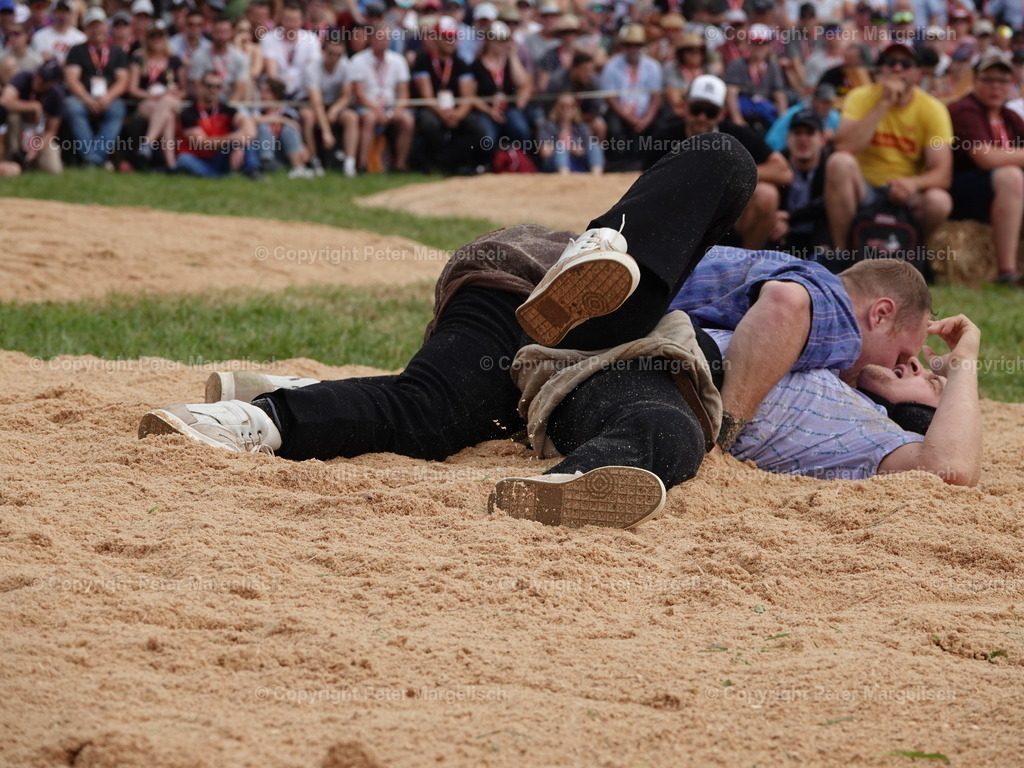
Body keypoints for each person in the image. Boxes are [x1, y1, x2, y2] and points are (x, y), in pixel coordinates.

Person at [139, 135, 980, 530]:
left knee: (436, 411)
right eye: (904, 352)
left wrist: (902, 395)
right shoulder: (822, 304)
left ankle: (261, 412)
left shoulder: (825, 367)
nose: (907, 367)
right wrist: (730, 424)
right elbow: (793, 316)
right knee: (727, 164)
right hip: (574, 301)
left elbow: (931, 452)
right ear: (877, 315)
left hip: (588, 356)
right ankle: (602, 252)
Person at [825, 41, 953, 257]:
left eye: (905, 63)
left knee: (939, 202)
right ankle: (842, 255)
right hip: (864, 189)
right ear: (879, 70)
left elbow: (943, 173)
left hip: (906, 191)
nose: (897, 69)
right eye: (890, 62)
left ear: (917, 73)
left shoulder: (933, 109)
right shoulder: (859, 97)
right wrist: (883, 104)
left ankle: (916, 254)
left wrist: (913, 184)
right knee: (839, 163)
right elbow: (844, 147)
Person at [645, 74, 793, 250]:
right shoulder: (664, 137)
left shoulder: (736, 135)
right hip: (679, 220)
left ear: (722, 114)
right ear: (685, 107)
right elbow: (646, 186)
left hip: (726, 221)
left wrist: (732, 174)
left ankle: (745, 263)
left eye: (710, 112)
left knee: (767, 194)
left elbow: (784, 171)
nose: (702, 117)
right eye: (696, 109)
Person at [947, 49, 1024, 286]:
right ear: (975, 81)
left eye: (1002, 81)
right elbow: (985, 158)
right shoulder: (964, 109)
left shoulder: (1010, 116)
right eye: (989, 80)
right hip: (962, 191)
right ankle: (1007, 272)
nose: (996, 87)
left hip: (1001, 192)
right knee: (1010, 176)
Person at [410, 15, 483, 175]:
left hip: (454, 109)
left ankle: (448, 162)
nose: (450, 41)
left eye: (453, 37)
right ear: (436, 37)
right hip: (432, 108)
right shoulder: (423, 60)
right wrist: (443, 114)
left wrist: (458, 114)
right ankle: (434, 162)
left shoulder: (460, 62)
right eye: (446, 37)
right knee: (430, 125)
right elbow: (426, 95)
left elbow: (467, 96)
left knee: (477, 129)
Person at [63, 6, 129, 167]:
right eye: (92, 25)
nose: (96, 29)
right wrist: (87, 99)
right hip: (83, 98)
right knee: (72, 108)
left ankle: (93, 158)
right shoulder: (77, 50)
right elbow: (72, 79)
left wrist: (107, 98)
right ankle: (93, 157)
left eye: (99, 25)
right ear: (85, 28)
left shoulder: (116, 51)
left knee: (118, 109)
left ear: (106, 26)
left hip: (109, 98)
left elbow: (123, 80)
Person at [349, 20, 414, 173]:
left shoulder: (398, 60)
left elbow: (404, 92)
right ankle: (363, 165)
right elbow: (359, 94)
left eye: (386, 38)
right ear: (371, 39)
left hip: (390, 105)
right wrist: (377, 110)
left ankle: (400, 165)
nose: (384, 42)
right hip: (367, 105)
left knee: (408, 120)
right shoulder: (358, 60)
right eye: (380, 38)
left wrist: (397, 109)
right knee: (370, 118)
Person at [769, 109, 833, 257]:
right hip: (779, 238)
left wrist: (791, 217)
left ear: (822, 139)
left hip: (818, 241)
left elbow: (829, 201)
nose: (803, 138)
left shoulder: (832, 166)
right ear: (787, 138)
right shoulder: (775, 163)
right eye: (797, 132)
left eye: (809, 133)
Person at [175, 68, 260, 178]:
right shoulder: (189, 113)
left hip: (220, 155)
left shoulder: (225, 109)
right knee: (183, 160)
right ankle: (218, 176)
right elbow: (204, 143)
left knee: (243, 131)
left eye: (218, 86)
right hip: (199, 157)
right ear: (200, 86)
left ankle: (252, 170)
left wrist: (240, 145)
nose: (213, 90)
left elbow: (247, 124)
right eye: (209, 86)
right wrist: (235, 138)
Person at [599, 23, 661, 169]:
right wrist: (629, 118)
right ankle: (617, 164)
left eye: (636, 45)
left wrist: (646, 119)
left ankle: (650, 164)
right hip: (620, 112)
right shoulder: (611, 66)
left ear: (642, 46)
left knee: (659, 127)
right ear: (623, 46)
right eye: (629, 45)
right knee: (614, 129)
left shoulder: (653, 66)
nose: (632, 49)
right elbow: (610, 98)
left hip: (644, 113)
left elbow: (656, 97)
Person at [128, 23, 183, 170]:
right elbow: (132, 89)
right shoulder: (138, 58)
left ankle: (147, 144)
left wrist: (175, 93)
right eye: (152, 36)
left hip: (171, 100)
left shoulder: (174, 60)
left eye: (160, 35)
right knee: (168, 117)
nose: (156, 39)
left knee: (167, 101)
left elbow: (184, 90)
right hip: (148, 101)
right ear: (147, 38)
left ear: (165, 38)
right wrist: (151, 95)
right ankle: (171, 164)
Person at [0, 56, 63, 173]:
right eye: (39, 75)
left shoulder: (56, 95)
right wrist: (33, 106)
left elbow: (51, 131)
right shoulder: (23, 77)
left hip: (38, 134)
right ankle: (12, 159)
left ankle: (30, 162)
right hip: (16, 130)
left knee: (53, 169)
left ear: (53, 82)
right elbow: (4, 102)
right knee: (13, 117)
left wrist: (36, 149)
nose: (39, 80)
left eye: (45, 79)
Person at [723, 22, 787, 134]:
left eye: (763, 43)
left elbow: (780, 94)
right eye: (755, 43)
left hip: (765, 113)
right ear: (748, 44)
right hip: (744, 112)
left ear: (769, 45)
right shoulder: (737, 64)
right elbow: (731, 94)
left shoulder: (773, 67)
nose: (759, 47)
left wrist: (782, 121)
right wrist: (737, 119)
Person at [535, 91, 603, 174]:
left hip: (578, 160)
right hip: (554, 164)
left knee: (594, 146)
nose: (566, 109)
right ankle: (565, 179)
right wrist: (569, 148)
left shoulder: (582, 127)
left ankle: (596, 176)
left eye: (570, 106)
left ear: (575, 108)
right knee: (561, 149)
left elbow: (584, 149)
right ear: (556, 108)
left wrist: (576, 150)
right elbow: (545, 153)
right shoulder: (547, 127)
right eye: (562, 106)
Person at [188, 14, 249, 103]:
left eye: (225, 32)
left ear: (232, 32)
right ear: (211, 31)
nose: (221, 36)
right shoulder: (199, 55)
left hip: (230, 104)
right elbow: (197, 87)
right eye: (218, 32)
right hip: (206, 103)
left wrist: (227, 109)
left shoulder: (239, 57)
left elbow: (239, 90)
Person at [29, 0, 84, 64]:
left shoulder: (80, 38)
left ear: (71, 14)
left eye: (65, 12)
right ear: (53, 13)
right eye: (59, 11)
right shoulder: (39, 36)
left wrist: (54, 59)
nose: (62, 16)